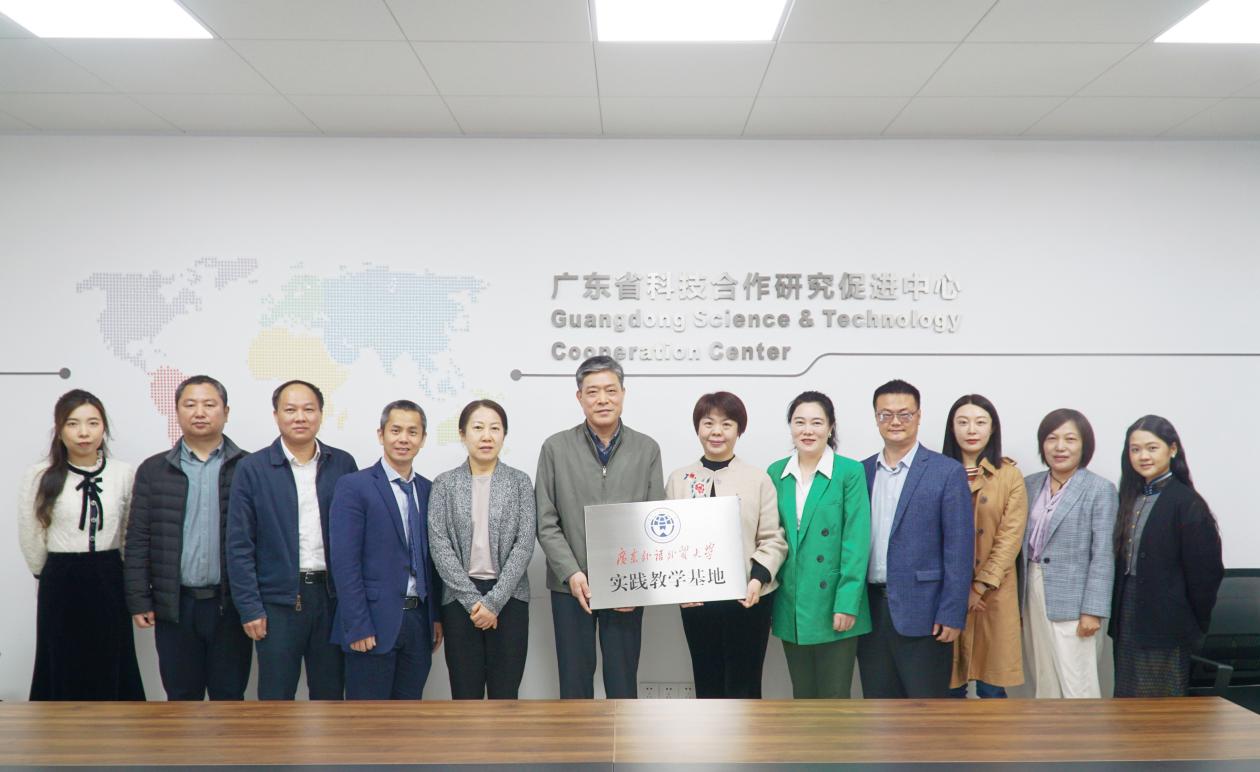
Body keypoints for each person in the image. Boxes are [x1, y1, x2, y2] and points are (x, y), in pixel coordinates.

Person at [536, 355, 664, 699]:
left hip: (626, 583)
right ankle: (576, 739)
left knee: (623, 683)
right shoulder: (555, 448)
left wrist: (635, 581)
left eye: (611, 390)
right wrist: (571, 573)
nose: (603, 399)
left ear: (623, 393)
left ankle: (625, 738)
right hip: (570, 586)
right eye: (593, 392)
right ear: (580, 397)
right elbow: (545, 521)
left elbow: (655, 520)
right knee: (574, 682)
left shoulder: (647, 448)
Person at [227, 379, 358, 700]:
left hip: (331, 599)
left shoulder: (342, 464)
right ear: (276, 415)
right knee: (276, 697)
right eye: (290, 410)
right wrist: (250, 608)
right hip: (277, 603)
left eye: (308, 409)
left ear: (320, 414)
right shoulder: (252, 468)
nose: (300, 417)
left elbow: (356, 538)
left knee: (330, 694)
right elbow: (239, 545)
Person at [124, 374, 253, 700]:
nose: (200, 412)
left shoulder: (249, 467)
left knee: (229, 697)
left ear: (226, 412)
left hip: (229, 605)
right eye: (190, 404)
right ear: (177, 411)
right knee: (180, 698)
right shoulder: (154, 470)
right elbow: (138, 538)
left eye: (209, 404)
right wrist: (139, 598)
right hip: (175, 605)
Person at [17, 389, 144, 700]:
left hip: (109, 575)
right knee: (62, 658)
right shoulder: (40, 474)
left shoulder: (123, 473)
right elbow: (30, 531)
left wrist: (124, 573)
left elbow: (129, 531)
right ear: (59, 430)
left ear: (104, 428)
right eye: (73, 424)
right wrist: (43, 572)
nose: (84, 433)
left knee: (111, 657)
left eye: (92, 423)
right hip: (61, 577)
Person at [665, 391, 788, 699]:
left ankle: (747, 735)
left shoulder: (758, 479)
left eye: (726, 424)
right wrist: (679, 590)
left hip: (748, 599)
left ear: (739, 430)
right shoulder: (679, 479)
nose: (716, 432)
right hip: (697, 601)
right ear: (698, 428)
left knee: (745, 685)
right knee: (706, 682)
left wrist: (757, 580)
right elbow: (667, 544)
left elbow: (773, 538)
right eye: (708, 423)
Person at [858, 379, 973, 699]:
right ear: (876, 417)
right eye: (886, 414)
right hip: (870, 612)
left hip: (926, 613)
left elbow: (959, 549)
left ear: (919, 416)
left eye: (904, 414)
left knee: (926, 712)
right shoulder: (860, 472)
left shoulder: (946, 472)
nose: (895, 421)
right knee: (878, 709)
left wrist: (952, 613)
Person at [329, 400, 443, 699]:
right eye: (395, 430)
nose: (403, 439)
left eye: (412, 432)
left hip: (418, 624)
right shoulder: (354, 486)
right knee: (368, 720)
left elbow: (433, 560)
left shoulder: (428, 489)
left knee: (409, 717)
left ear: (423, 439)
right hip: (372, 623)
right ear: (381, 434)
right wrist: (357, 625)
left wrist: (435, 617)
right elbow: (344, 562)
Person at [1110, 415, 1224, 697]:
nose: (1143, 456)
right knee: (1127, 698)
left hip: (1167, 619)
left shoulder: (1187, 502)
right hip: (1128, 612)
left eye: (1152, 448)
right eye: (1135, 449)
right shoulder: (1130, 497)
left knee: (1160, 705)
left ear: (1172, 449)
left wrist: (1193, 624)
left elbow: (1206, 574)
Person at [766, 391, 870, 699]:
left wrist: (847, 603)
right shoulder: (776, 473)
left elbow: (856, 542)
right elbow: (770, 535)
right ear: (790, 427)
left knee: (834, 698)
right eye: (800, 422)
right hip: (791, 602)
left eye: (816, 422)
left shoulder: (849, 472)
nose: (807, 430)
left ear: (831, 427)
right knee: (802, 695)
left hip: (834, 602)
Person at [429, 399, 534, 699]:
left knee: (505, 694)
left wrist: (494, 602)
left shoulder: (520, 482)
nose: (486, 436)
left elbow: (524, 544)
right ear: (463, 434)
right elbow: (440, 546)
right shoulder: (444, 484)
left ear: (504, 434)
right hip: (460, 600)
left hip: (509, 598)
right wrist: (474, 601)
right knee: (465, 694)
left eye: (495, 428)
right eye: (478, 428)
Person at [1022, 408, 1116, 698]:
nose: (1060, 447)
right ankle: (1047, 729)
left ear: (1084, 445)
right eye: (1052, 438)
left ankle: (1085, 731)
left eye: (1070, 439)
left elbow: (1103, 554)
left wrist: (1093, 610)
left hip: (1076, 600)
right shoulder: (1030, 484)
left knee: (1078, 683)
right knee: (1043, 677)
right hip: (1032, 588)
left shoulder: (1100, 489)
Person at [941, 394, 1027, 699]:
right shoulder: (937, 470)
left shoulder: (1009, 475)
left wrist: (978, 588)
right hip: (947, 595)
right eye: (962, 422)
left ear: (993, 428)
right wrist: (959, 591)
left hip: (994, 593)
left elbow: (1010, 538)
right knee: (948, 688)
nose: (971, 430)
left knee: (992, 689)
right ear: (952, 428)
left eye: (980, 422)